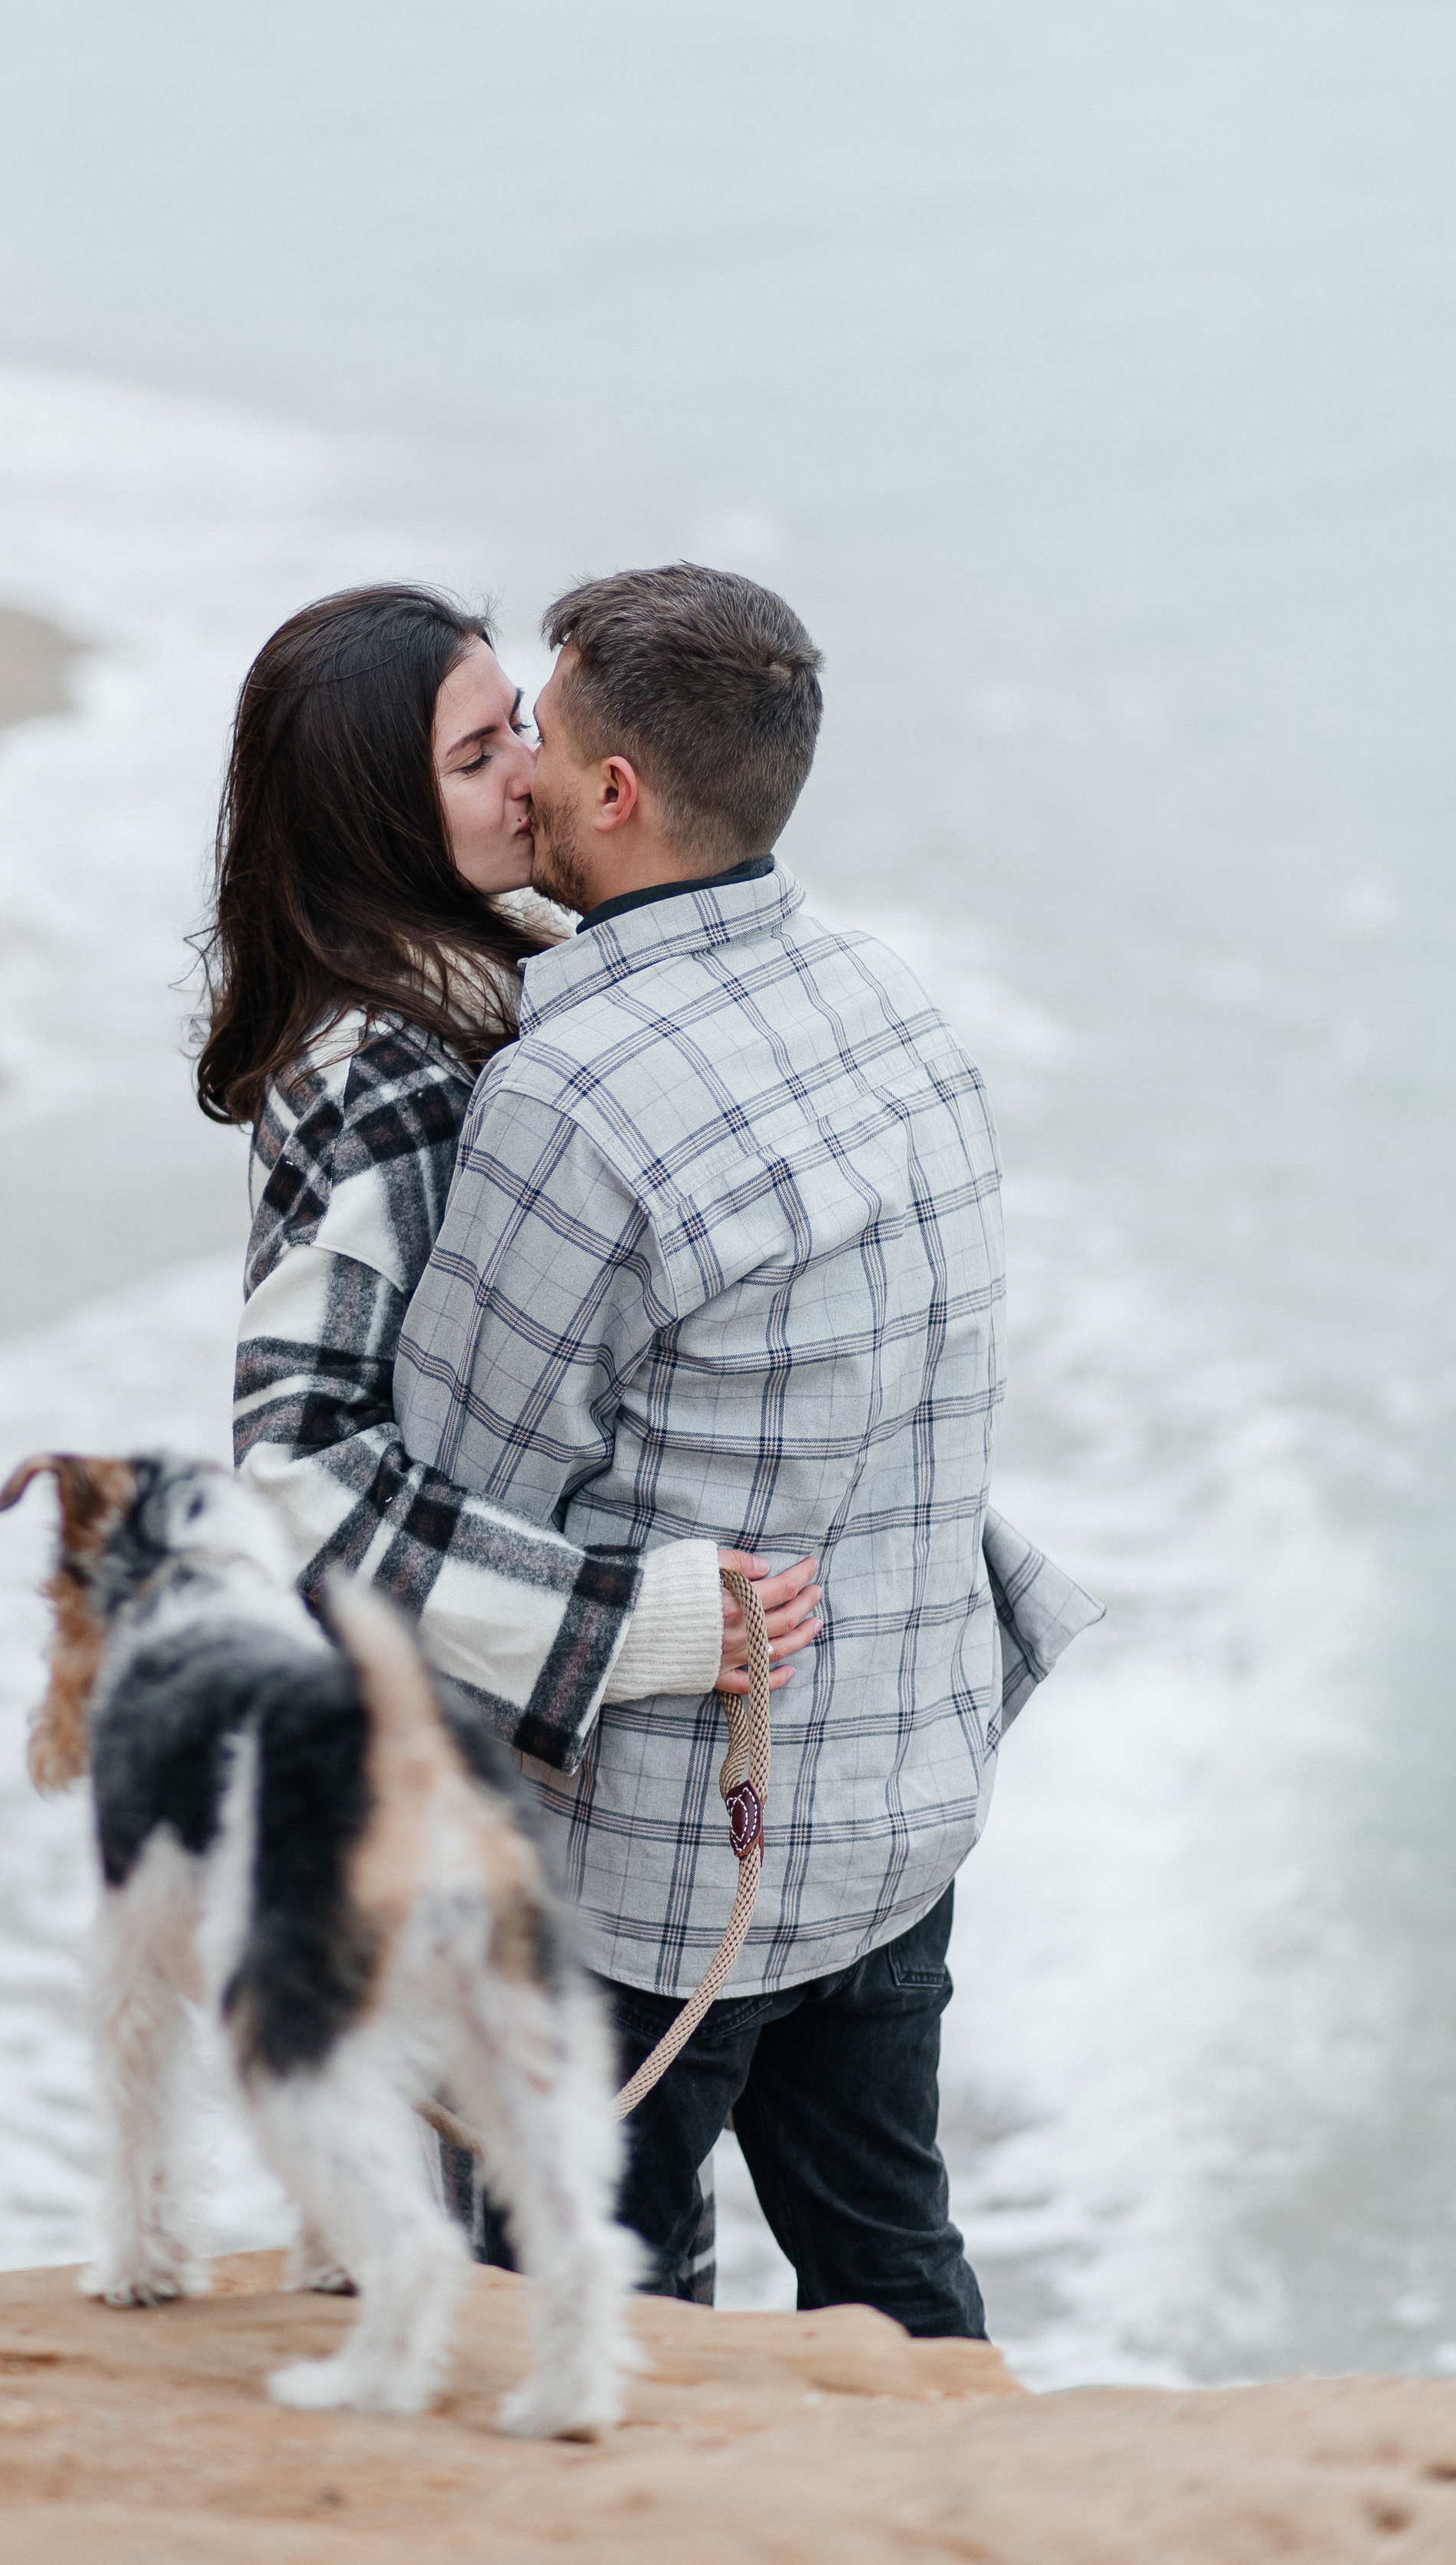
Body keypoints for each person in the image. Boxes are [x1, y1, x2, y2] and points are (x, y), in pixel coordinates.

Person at [392, 562, 1102, 2339]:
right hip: (894, 1798)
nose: (523, 772)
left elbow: (455, 1504)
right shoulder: (892, 1002)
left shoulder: (568, 1089)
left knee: (571, 2324)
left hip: (665, 1882)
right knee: (888, 2276)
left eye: (538, 737)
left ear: (615, 794)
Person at [201, 578, 821, 1787]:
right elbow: (293, 1471)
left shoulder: (503, 983)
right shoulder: (380, 1065)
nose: (532, 775)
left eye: (523, 729)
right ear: (375, 818)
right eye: (477, 756)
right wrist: (630, 1626)